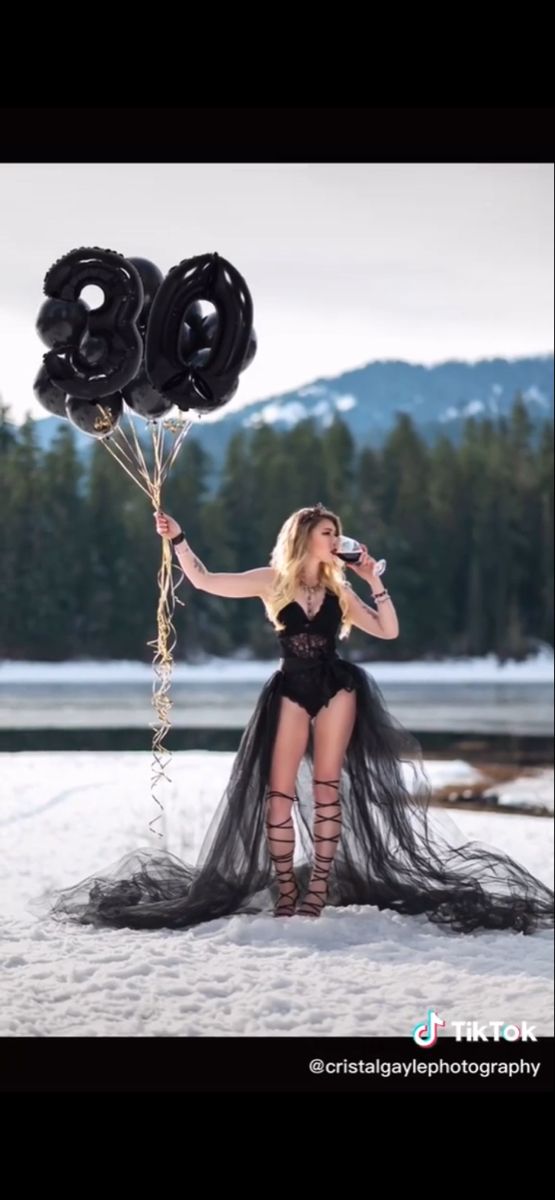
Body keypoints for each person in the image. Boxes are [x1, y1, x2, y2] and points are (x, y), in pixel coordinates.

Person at [49, 504, 554, 935]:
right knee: (279, 790)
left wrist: (373, 579)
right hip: (289, 688)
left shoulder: (339, 591)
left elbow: (388, 630)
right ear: (304, 537)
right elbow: (203, 580)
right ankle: (286, 887)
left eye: (337, 531)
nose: (337, 538)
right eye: (328, 532)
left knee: (329, 786)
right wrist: (177, 538)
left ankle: (317, 890)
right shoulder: (273, 581)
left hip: (338, 687)